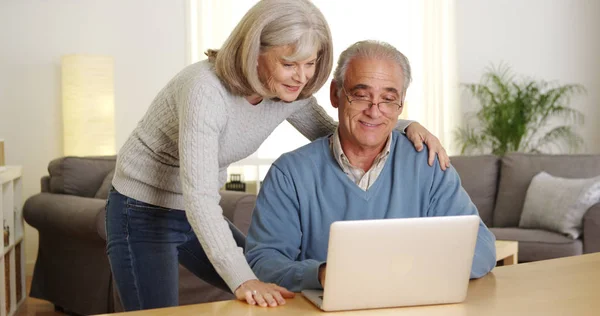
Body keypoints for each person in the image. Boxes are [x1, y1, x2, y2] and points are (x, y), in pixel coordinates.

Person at [105, 0, 450, 311]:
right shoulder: (204, 92)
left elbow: (337, 132)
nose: (302, 77)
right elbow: (200, 199)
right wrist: (242, 281)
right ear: (255, 51)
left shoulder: (287, 92)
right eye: (289, 63)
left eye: (311, 63)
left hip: (189, 209)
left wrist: (402, 124)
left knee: (272, 281)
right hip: (141, 209)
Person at [245, 40, 497, 292]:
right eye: (361, 95)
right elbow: (263, 261)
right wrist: (320, 274)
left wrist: (411, 272)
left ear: (401, 103)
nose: (374, 112)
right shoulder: (289, 173)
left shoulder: (428, 164)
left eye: (388, 99)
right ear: (336, 94)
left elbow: (481, 247)